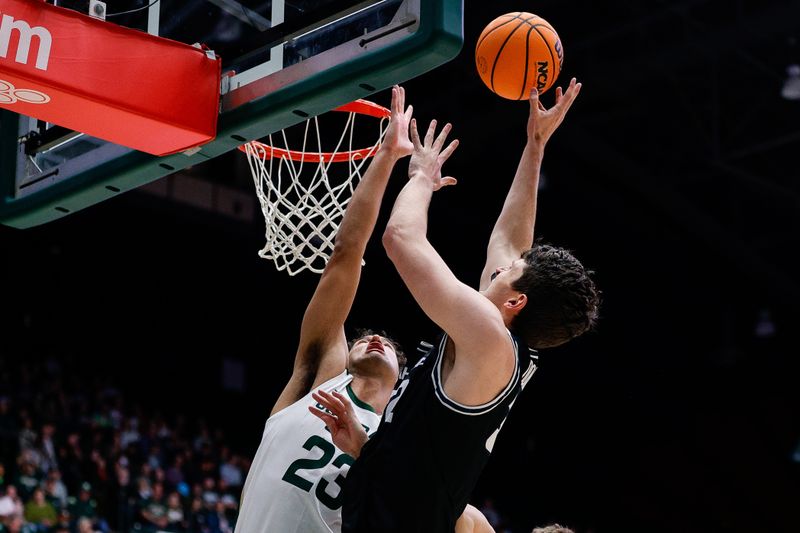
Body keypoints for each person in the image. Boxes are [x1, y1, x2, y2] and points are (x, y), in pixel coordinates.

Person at [312, 78, 600, 532]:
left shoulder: (489, 338)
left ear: (516, 300)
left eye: (511, 271)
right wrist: (535, 145)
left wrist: (422, 178)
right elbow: (509, 241)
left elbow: (401, 238)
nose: (502, 266)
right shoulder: (497, 340)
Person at [233, 86, 413, 533]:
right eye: (364, 339)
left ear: (402, 377)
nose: (374, 339)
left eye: (387, 345)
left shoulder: (396, 442)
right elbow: (346, 254)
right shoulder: (319, 378)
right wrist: (388, 156)